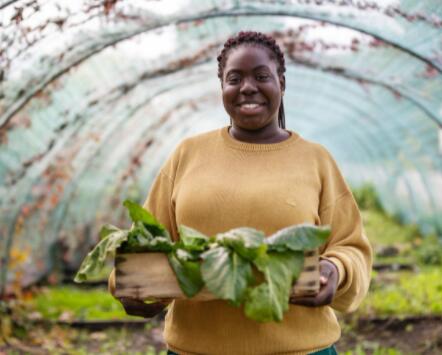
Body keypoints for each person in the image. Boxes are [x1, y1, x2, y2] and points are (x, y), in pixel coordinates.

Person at [109, 31, 372, 355]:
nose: (248, 87)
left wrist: (336, 269)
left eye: (261, 76)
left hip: (301, 350)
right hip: (196, 349)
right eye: (235, 78)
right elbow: (145, 242)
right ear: (222, 87)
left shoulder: (315, 159)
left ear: (281, 84)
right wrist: (131, 285)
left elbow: (351, 246)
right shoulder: (187, 155)